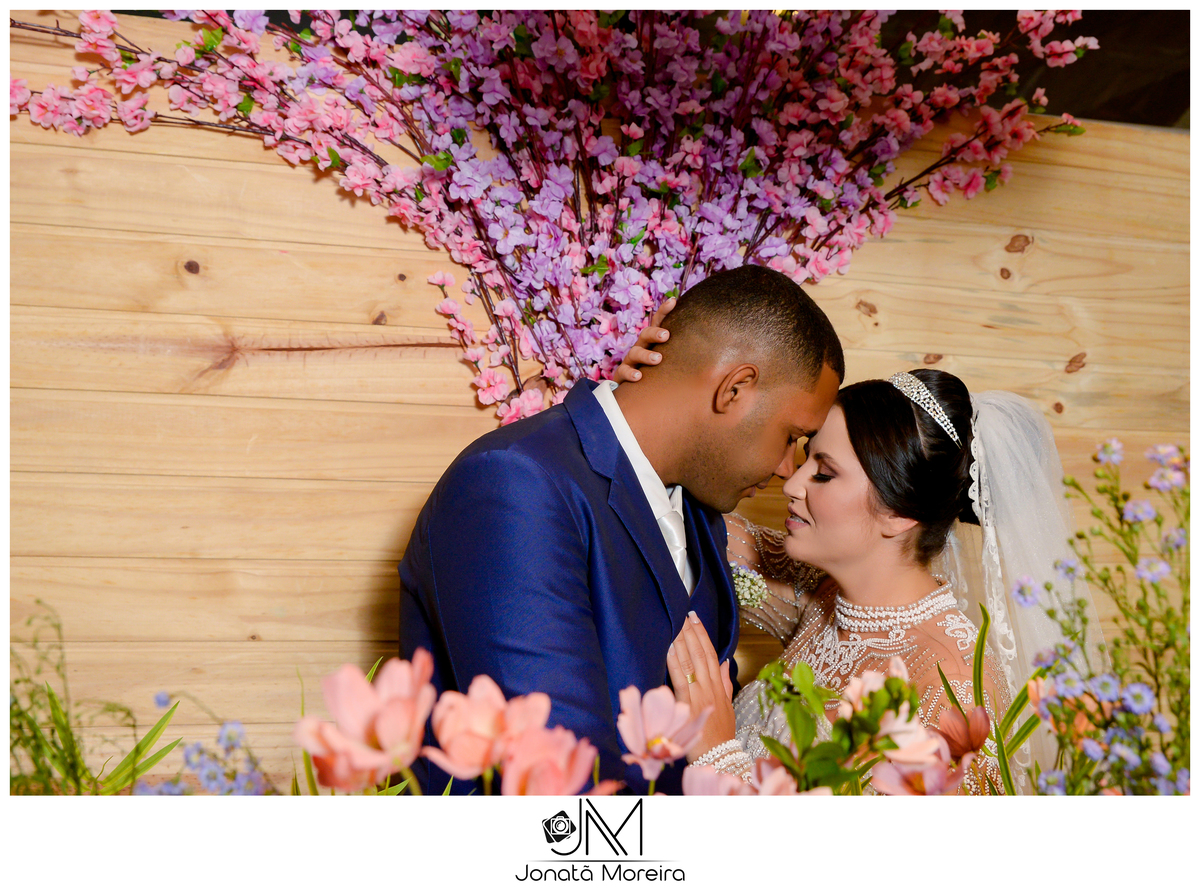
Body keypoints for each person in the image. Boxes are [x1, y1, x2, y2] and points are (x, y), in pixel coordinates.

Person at [399, 264, 844, 794]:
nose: (787, 469)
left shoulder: (702, 511)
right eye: (792, 436)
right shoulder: (514, 484)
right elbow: (559, 786)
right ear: (735, 388)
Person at [617, 330, 1103, 794]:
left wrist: (717, 755)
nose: (791, 483)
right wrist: (645, 401)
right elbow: (676, 518)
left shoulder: (949, 689)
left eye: (824, 473)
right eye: (806, 457)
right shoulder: (822, 595)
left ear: (898, 513)